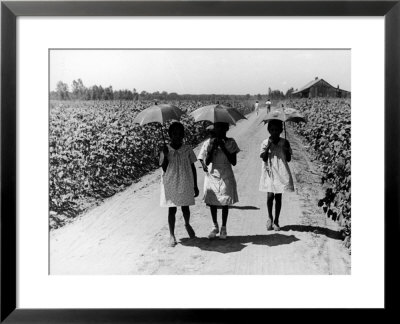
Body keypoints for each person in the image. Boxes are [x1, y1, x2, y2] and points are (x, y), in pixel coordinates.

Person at [198, 122, 240, 239]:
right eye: (217, 128)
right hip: (213, 173)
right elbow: (206, 162)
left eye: (222, 128)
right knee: (213, 201)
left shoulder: (231, 142)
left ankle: (224, 227)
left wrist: (223, 147)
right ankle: (215, 225)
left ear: (227, 128)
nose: (220, 130)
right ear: (214, 129)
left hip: (226, 172)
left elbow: (234, 162)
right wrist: (212, 147)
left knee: (225, 200)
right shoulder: (209, 142)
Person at [160, 122, 199, 247]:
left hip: (185, 180)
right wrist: (165, 155)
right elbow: (164, 168)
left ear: (183, 135)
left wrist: (195, 185)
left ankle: (187, 224)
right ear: (170, 135)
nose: (177, 136)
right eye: (174, 133)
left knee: (185, 207)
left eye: (180, 134)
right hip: (170, 181)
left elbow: (193, 167)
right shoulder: (165, 149)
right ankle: (172, 234)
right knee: (172, 209)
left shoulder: (187, 149)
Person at [259, 120, 294, 231]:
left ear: (281, 130)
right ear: (269, 130)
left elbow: (288, 159)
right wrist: (269, 145)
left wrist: (286, 150)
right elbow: (263, 158)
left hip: (281, 170)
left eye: (277, 130)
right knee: (270, 196)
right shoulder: (265, 142)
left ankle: (276, 221)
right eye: (272, 130)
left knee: (278, 196)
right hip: (269, 170)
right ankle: (270, 217)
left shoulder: (285, 142)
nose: (274, 132)